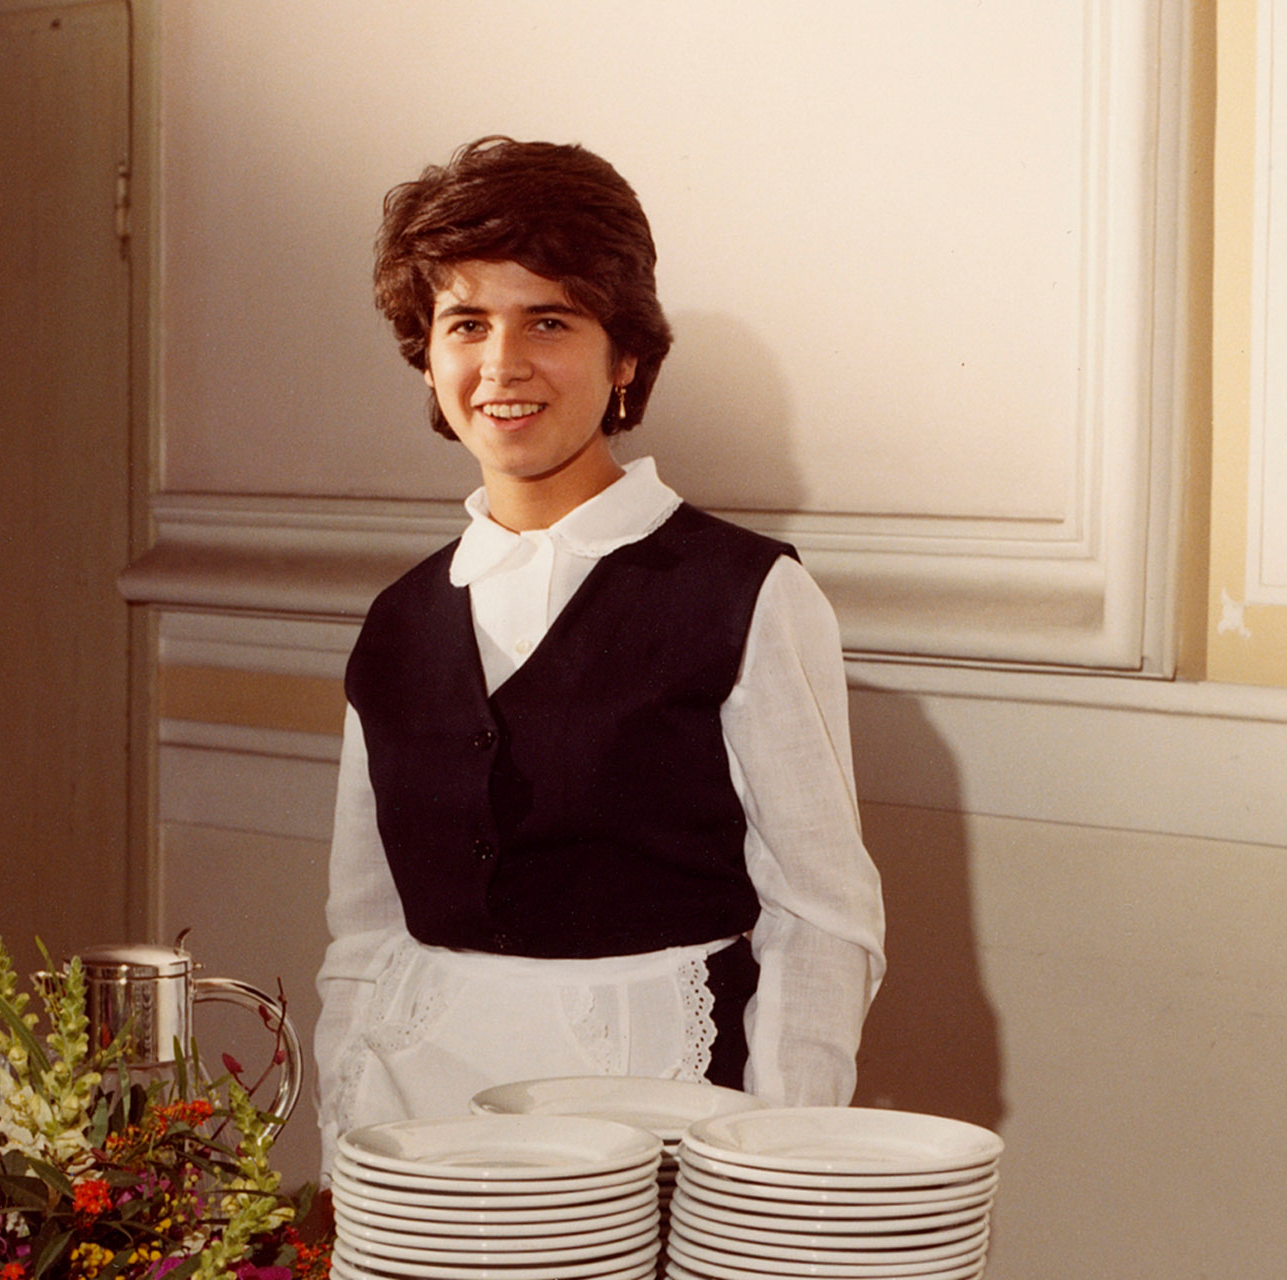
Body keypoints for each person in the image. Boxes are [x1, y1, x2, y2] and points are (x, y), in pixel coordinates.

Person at [312, 136, 886, 1179]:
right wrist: (349, 1147)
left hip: (656, 1116)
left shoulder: (748, 593)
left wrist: (772, 1170)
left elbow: (822, 916)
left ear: (626, 355)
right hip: (420, 1122)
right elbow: (364, 931)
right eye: (467, 323)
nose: (503, 365)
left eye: (550, 320)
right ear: (426, 352)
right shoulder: (396, 622)